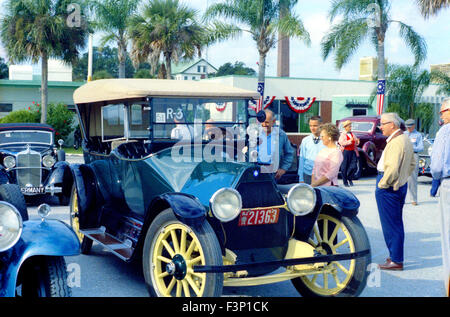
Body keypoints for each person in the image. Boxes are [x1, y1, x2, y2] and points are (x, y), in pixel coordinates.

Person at [376, 113, 416, 271]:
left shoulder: (396, 141)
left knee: (391, 225)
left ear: (392, 125)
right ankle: (395, 256)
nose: (380, 127)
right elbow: (412, 163)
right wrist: (403, 179)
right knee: (396, 223)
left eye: (383, 124)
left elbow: (391, 169)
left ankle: (396, 260)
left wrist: (382, 184)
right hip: (398, 185)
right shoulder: (404, 138)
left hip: (389, 187)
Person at [430, 98, 450, 296]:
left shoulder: (445, 131)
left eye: (443, 112)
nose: (441, 116)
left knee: (448, 236)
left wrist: (436, 178)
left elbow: (436, 166)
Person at [258, 109, 294, 181]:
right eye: (262, 122)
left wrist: (283, 169)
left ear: (273, 121)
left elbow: (289, 153)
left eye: (267, 122)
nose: (264, 125)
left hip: (272, 174)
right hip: (255, 171)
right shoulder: (254, 133)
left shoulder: (281, 135)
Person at [297, 116, 325, 185]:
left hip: (322, 175)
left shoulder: (326, 140)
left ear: (321, 125)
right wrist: (301, 178)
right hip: (307, 174)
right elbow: (301, 159)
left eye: (315, 126)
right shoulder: (305, 140)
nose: (312, 128)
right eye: (310, 126)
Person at [404, 119, 424, 206]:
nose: (408, 129)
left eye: (410, 127)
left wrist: (411, 148)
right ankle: (402, 198)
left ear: (414, 126)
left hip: (413, 155)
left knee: (413, 178)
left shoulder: (418, 135)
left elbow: (421, 147)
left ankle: (413, 199)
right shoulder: (403, 134)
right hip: (404, 156)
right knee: (402, 178)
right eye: (407, 127)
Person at [338, 120, 360, 187]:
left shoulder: (352, 134)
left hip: (352, 151)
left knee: (354, 166)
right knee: (344, 167)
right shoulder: (343, 134)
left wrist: (357, 141)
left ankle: (349, 178)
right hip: (345, 151)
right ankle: (345, 182)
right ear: (345, 127)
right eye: (349, 126)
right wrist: (349, 141)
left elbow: (356, 142)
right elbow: (341, 142)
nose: (350, 127)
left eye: (351, 126)